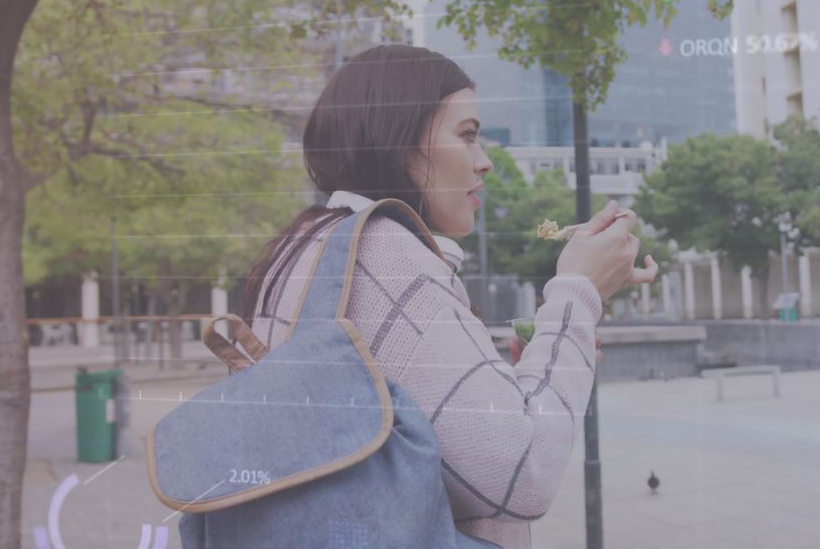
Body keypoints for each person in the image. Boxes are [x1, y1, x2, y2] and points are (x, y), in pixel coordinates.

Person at [240, 45, 658, 548]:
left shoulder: (304, 245)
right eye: (467, 135)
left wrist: (544, 358)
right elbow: (522, 478)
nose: (484, 163)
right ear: (398, 140)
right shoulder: (389, 256)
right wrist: (579, 291)